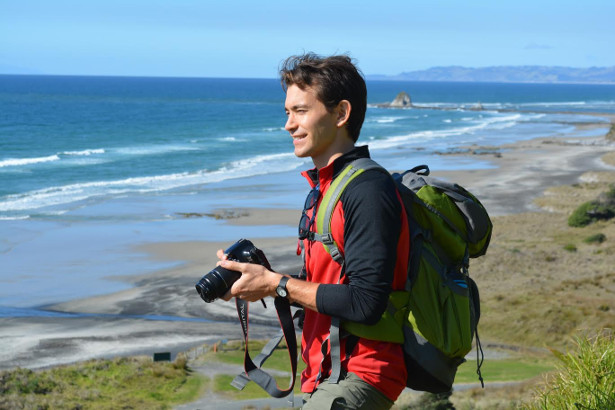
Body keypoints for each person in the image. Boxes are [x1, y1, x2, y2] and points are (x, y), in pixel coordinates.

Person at [217, 53, 410, 409]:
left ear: (341, 114)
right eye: (287, 112)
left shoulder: (367, 190)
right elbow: (326, 287)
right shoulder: (322, 191)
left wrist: (276, 284)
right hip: (321, 374)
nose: (289, 125)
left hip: (361, 373)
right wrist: (257, 280)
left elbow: (366, 302)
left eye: (301, 111)